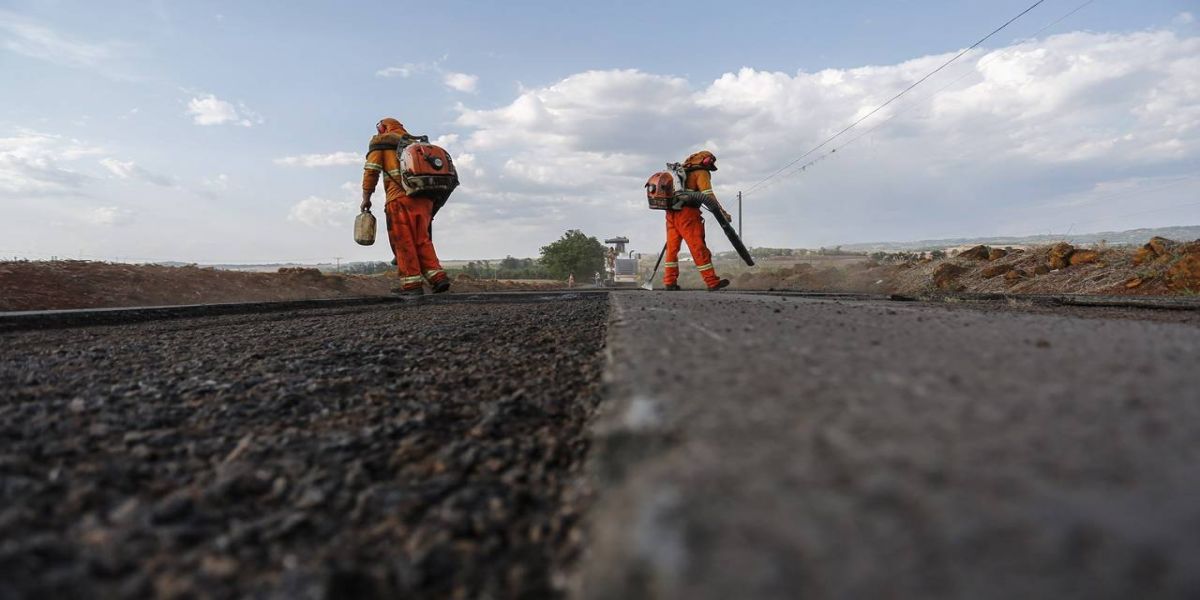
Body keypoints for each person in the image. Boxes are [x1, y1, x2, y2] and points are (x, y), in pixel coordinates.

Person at [360, 117, 450, 295]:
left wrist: (366, 197)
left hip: (399, 200)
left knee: (403, 241)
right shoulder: (414, 144)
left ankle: (411, 286)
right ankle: (437, 278)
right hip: (425, 198)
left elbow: (371, 172)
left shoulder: (381, 144)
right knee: (422, 239)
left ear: (382, 129)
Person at [662, 150, 731, 291]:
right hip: (687, 214)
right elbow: (708, 195)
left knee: (672, 249)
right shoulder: (701, 173)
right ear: (707, 162)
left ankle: (670, 281)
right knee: (698, 247)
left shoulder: (681, 171)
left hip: (671, 213)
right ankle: (712, 282)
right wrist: (722, 213)